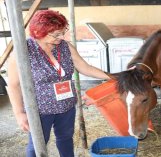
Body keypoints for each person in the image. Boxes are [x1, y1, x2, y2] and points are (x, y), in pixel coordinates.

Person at [7, 10, 110, 157]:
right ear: (38, 32)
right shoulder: (23, 51)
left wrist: (113, 77)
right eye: (56, 34)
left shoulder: (65, 46)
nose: (62, 37)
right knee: (38, 144)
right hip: (40, 110)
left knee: (66, 138)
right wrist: (19, 113)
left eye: (63, 32)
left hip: (66, 105)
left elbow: (85, 68)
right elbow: (13, 85)